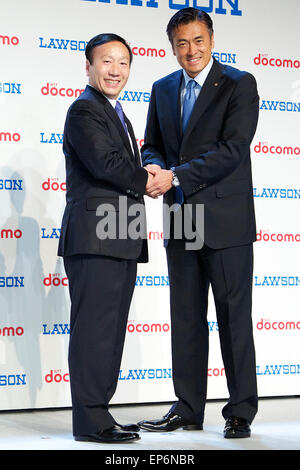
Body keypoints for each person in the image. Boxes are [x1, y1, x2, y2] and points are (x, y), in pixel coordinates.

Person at [138, 8, 259, 438]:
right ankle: (188, 408)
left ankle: (241, 409)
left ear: (212, 38)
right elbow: (151, 145)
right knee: (186, 318)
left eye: (198, 40)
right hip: (182, 215)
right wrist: (154, 169)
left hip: (226, 221)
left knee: (233, 317)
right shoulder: (162, 87)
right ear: (172, 46)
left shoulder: (239, 84)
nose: (191, 50)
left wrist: (178, 175)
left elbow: (233, 149)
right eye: (182, 43)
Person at [58, 33, 151, 444]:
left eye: (123, 63)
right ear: (89, 67)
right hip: (96, 236)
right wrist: (153, 180)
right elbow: (106, 164)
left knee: (110, 331)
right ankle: (90, 421)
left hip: (120, 235)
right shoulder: (84, 110)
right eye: (107, 62)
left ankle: (101, 414)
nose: (115, 70)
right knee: (94, 331)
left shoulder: (117, 113)